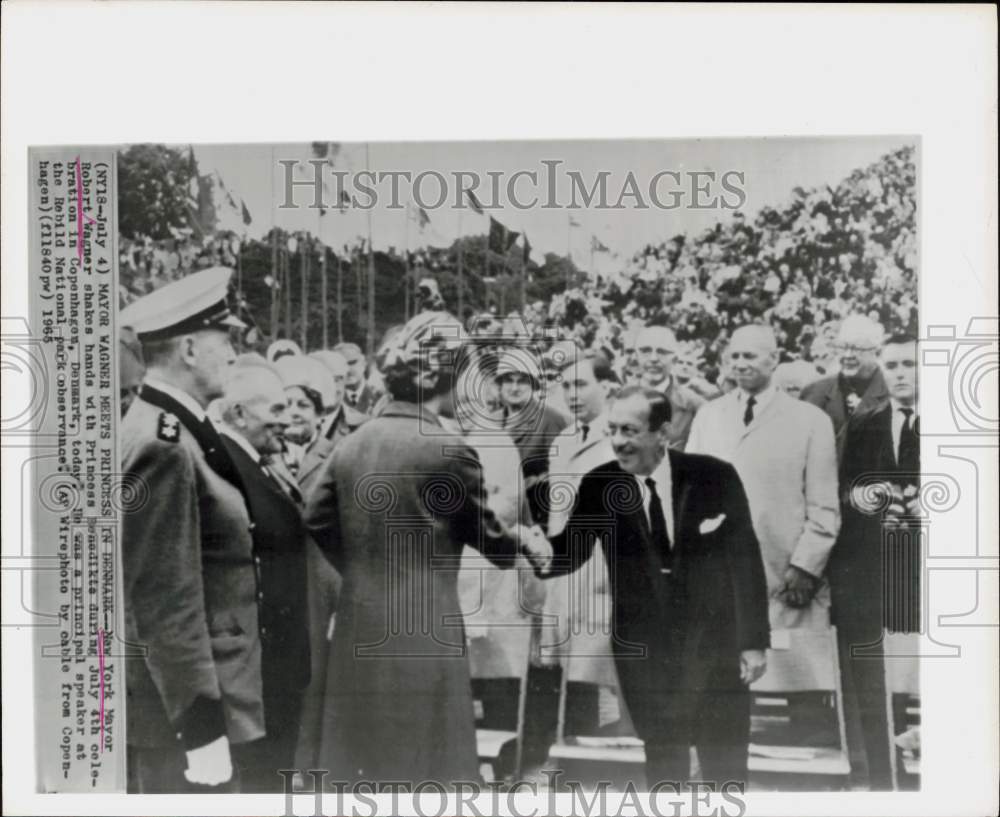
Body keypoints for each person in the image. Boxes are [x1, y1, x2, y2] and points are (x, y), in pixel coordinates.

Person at [303, 311, 549, 786]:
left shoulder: (352, 444)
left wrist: (364, 565)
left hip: (359, 624)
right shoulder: (448, 448)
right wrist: (522, 538)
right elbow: (493, 542)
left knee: (363, 765)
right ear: (444, 379)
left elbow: (316, 518)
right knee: (429, 766)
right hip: (425, 629)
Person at [540, 385, 770, 786]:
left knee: (725, 761)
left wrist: (752, 640)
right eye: (611, 429)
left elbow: (746, 561)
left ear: (663, 433)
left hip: (714, 644)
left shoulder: (714, 476)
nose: (617, 442)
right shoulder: (600, 484)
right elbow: (568, 554)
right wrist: (526, 545)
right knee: (663, 761)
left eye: (629, 430)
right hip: (645, 648)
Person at [119, 266, 263, 792]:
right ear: (188, 349)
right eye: (224, 336)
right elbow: (163, 600)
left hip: (194, 704)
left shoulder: (178, 429)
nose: (233, 351)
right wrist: (201, 730)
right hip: (181, 721)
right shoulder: (164, 444)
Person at [687, 325, 840, 630]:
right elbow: (689, 493)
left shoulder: (811, 421)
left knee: (784, 670)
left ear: (774, 359)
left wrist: (805, 566)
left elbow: (824, 506)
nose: (740, 364)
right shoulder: (709, 416)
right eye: (735, 356)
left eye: (750, 356)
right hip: (720, 570)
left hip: (782, 573)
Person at [829, 333, 921, 790]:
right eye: (893, 365)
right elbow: (844, 489)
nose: (901, 373)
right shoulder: (866, 423)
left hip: (929, 575)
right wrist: (872, 499)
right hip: (875, 573)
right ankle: (885, 781)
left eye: (910, 363)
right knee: (877, 683)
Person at [215, 365, 310, 792]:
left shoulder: (255, 463)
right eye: (276, 408)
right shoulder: (228, 467)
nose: (287, 417)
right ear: (238, 413)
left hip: (277, 658)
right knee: (265, 780)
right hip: (261, 662)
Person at [494, 347, 571, 523]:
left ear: (533, 384)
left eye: (521, 381)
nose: (514, 388)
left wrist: (523, 486)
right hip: (498, 515)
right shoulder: (492, 420)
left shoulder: (550, 418)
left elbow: (560, 474)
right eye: (508, 381)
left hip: (535, 515)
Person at [801, 315, 889, 460]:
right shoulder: (814, 392)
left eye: (857, 348)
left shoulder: (894, 395)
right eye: (843, 347)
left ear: (877, 351)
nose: (848, 355)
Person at [634, 324, 704, 450]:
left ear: (675, 359)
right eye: (646, 351)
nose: (653, 358)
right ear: (636, 356)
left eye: (662, 352)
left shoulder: (695, 406)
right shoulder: (616, 400)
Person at [333, 341, 379, 413]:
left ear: (364, 363)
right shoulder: (331, 401)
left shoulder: (380, 397)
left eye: (352, 362)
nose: (347, 370)